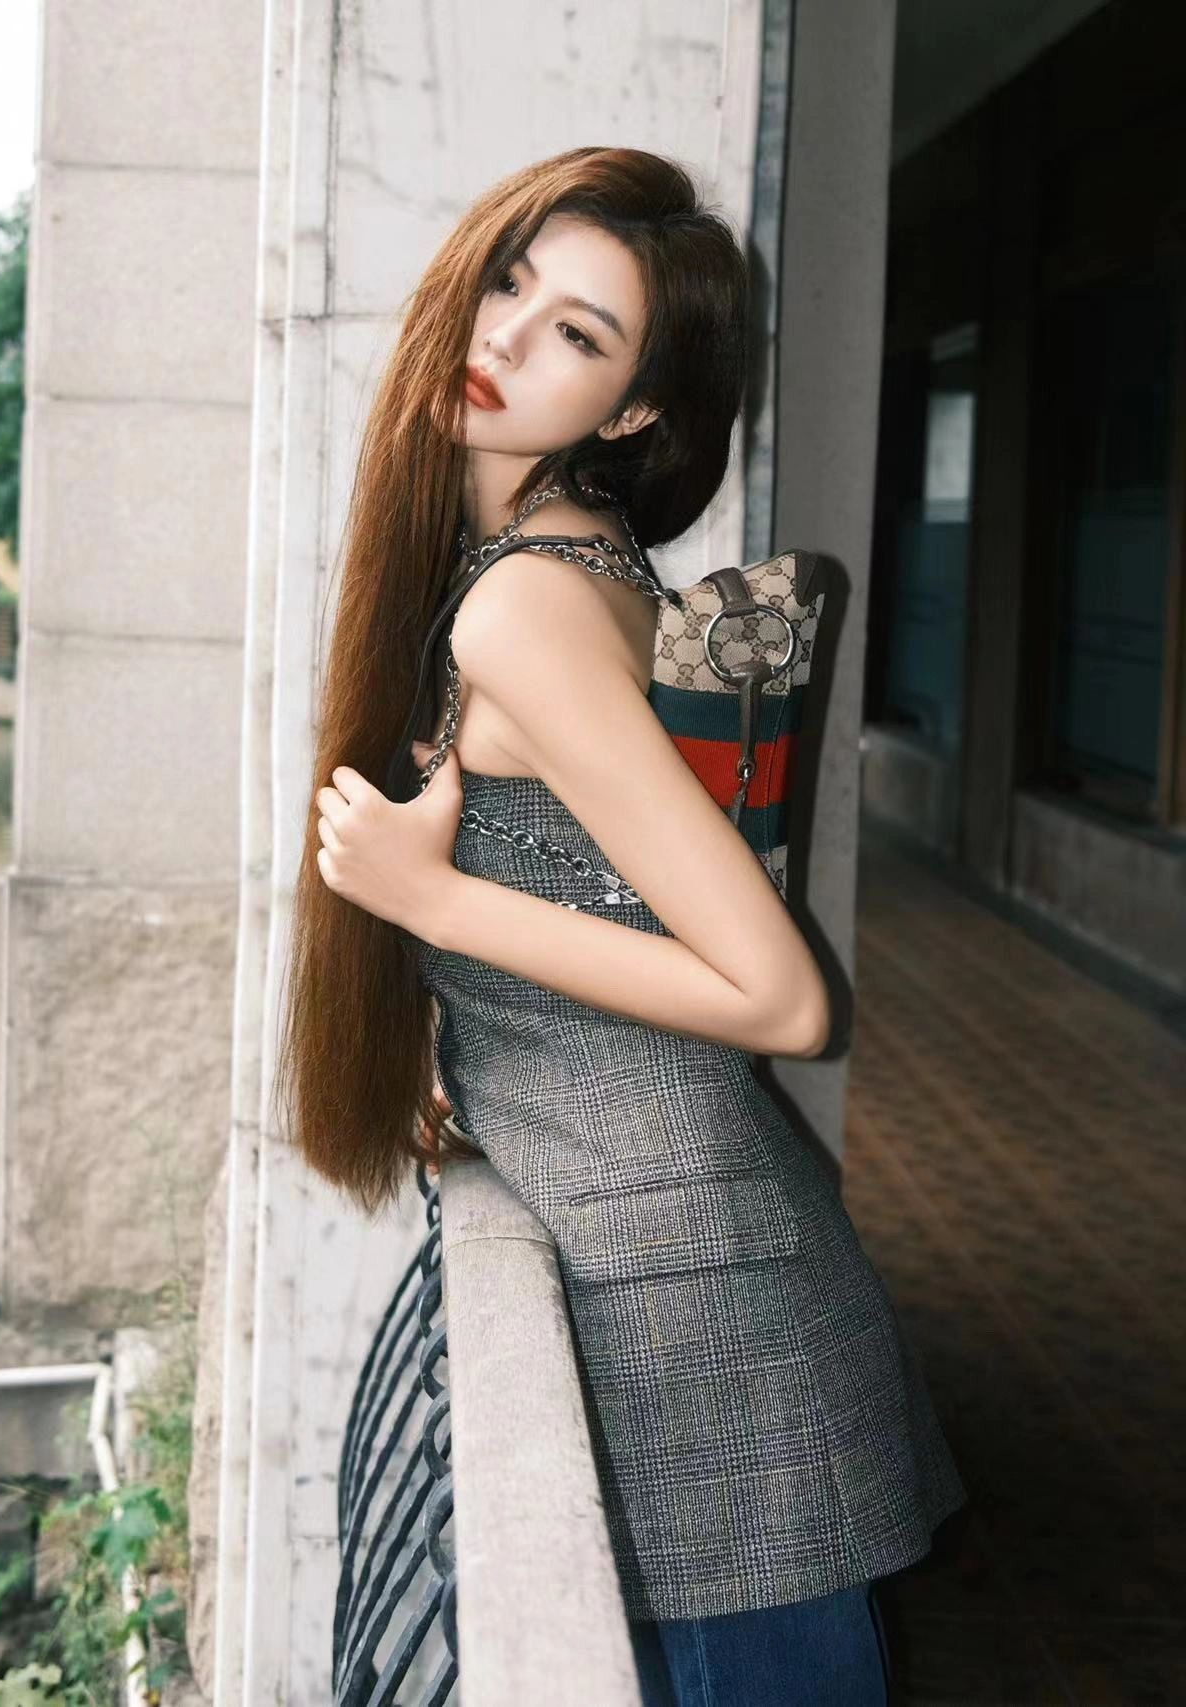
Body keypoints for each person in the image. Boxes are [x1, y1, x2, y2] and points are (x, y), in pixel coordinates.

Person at [276, 145, 966, 1705]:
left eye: (579, 334)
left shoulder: (524, 601)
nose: (509, 337)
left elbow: (783, 999)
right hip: (684, 1274)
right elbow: (593, 890)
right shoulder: (558, 564)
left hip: (701, 1323)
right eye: (511, 280)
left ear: (635, 408)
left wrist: (432, 898)